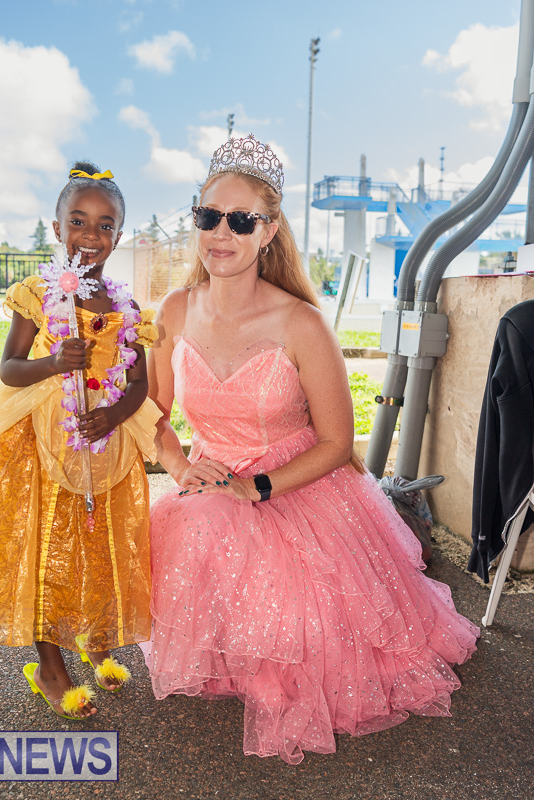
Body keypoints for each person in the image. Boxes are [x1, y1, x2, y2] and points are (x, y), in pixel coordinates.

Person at [145, 136, 480, 763]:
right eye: (208, 216)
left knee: (313, 637)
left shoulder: (302, 323)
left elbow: (335, 443)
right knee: (192, 522)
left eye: (241, 220)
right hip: (210, 479)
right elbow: (155, 419)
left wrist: (255, 487)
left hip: (296, 486)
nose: (221, 233)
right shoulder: (173, 310)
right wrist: (183, 467)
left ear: (269, 230)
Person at [0, 162, 161, 720]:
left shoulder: (126, 310)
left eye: (104, 225)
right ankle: (48, 664)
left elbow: (139, 384)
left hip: (105, 444)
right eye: (78, 221)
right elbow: (8, 369)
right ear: (55, 227)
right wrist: (52, 363)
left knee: (98, 541)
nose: (89, 236)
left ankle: (92, 636)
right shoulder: (36, 294)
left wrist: (116, 414)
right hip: (41, 440)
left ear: (118, 236)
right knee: (46, 542)